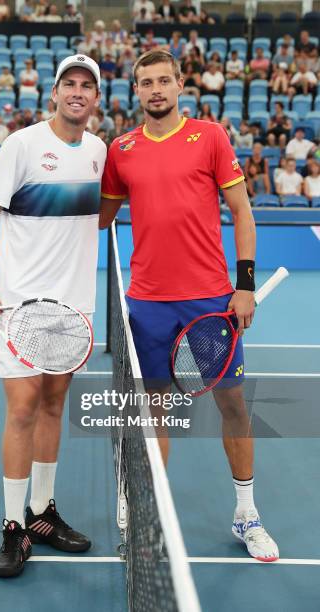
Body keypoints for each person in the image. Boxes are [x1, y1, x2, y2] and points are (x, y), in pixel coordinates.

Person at [99, 49, 279, 562]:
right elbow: (98, 217)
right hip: (148, 303)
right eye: (144, 82)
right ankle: (147, 508)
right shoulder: (122, 149)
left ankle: (247, 514)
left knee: (232, 405)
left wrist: (243, 286)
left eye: (163, 80)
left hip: (210, 299)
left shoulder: (212, 137)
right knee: (152, 412)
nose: (154, 89)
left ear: (180, 85)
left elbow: (242, 212)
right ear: (135, 91)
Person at [0, 54, 107, 578]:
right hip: (19, 304)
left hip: (74, 307)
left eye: (86, 86)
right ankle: (12, 527)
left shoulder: (98, 152)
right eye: (68, 84)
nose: (77, 92)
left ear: (96, 99)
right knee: (23, 408)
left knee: (54, 405)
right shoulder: (22, 145)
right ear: (54, 94)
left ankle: (43, 513)